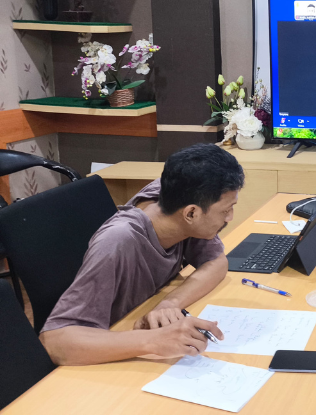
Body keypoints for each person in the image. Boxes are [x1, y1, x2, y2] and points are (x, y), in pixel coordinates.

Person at [40, 144, 245, 366]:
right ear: (191, 213)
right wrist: (153, 340)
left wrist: (170, 303)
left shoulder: (174, 195)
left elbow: (217, 262)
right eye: (226, 210)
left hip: (135, 323)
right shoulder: (117, 242)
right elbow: (54, 343)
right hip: (102, 352)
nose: (230, 217)